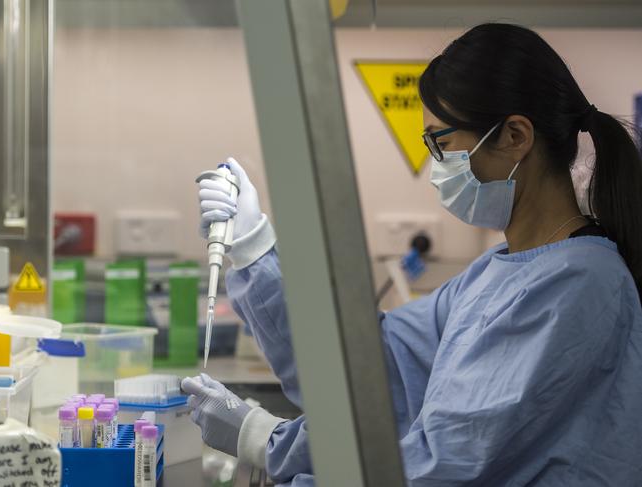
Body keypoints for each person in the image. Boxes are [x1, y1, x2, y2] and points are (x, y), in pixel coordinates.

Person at [181, 23, 642, 486]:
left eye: (441, 143)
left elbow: (443, 465)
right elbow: (380, 372)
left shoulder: (578, 286)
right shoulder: (496, 272)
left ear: (515, 136)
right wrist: (254, 249)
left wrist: (269, 442)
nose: (436, 165)